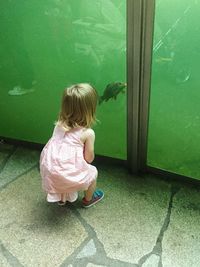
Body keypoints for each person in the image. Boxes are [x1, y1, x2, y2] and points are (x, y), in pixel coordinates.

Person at [40, 83, 104, 208]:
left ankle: (62, 199)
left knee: (63, 167)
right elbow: (89, 159)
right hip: (64, 173)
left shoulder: (59, 125)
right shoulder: (87, 133)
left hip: (49, 170)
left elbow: (60, 148)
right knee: (92, 172)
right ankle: (88, 199)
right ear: (90, 109)